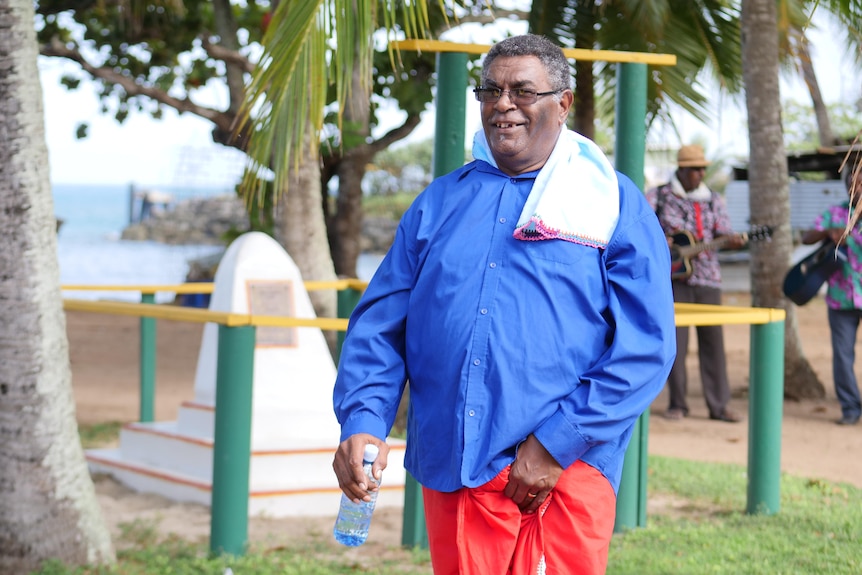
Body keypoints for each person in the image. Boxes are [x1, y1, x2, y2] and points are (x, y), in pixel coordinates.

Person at [332, 34, 676, 575]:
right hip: (455, 464)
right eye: (490, 90)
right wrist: (362, 419)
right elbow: (379, 325)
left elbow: (646, 348)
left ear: (562, 104)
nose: (503, 103)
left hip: (561, 475)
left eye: (522, 90)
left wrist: (555, 446)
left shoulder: (610, 204)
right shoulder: (439, 203)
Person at [646, 145, 746, 423]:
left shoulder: (713, 199)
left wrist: (731, 240)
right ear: (682, 169)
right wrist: (662, 241)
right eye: (694, 169)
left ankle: (719, 405)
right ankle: (678, 404)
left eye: (702, 169)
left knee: (713, 343)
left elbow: (723, 233)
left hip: (708, 279)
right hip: (673, 279)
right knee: (676, 343)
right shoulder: (660, 196)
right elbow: (642, 229)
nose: (699, 174)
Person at [801, 159, 862, 426]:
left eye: (859, 179)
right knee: (842, 356)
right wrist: (829, 232)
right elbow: (806, 237)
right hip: (841, 297)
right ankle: (850, 409)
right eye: (852, 179)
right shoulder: (836, 213)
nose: (855, 184)